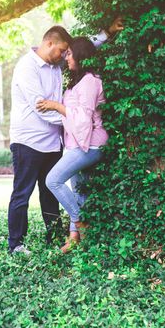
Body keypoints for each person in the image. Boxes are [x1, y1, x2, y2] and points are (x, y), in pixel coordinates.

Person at [36, 36, 108, 253]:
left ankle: (80, 223)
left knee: (53, 180)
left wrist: (56, 107)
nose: (66, 57)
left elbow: (83, 119)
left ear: (80, 56)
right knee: (79, 192)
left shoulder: (90, 82)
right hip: (77, 143)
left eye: (70, 54)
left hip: (91, 145)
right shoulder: (78, 81)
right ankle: (75, 238)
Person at [7, 25, 73, 255]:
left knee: (50, 192)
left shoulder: (56, 63)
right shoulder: (27, 67)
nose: (64, 56)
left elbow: (83, 49)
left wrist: (107, 33)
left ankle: (54, 237)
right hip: (28, 142)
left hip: (53, 142)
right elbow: (41, 109)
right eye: (62, 50)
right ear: (49, 44)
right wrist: (74, 120)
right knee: (22, 193)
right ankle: (16, 244)